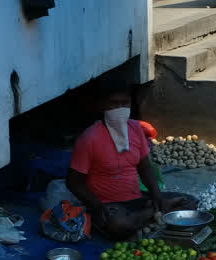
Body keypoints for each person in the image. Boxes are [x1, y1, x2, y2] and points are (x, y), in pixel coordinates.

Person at [67, 85, 196, 240]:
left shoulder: (135, 128)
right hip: (110, 206)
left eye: (125, 103)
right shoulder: (89, 138)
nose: (120, 108)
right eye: (114, 104)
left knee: (190, 202)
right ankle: (153, 215)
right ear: (101, 106)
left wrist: (157, 196)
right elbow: (73, 183)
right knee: (119, 224)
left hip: (137, 199)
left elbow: (145, 167)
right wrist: (97, 206)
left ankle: (150, 213)